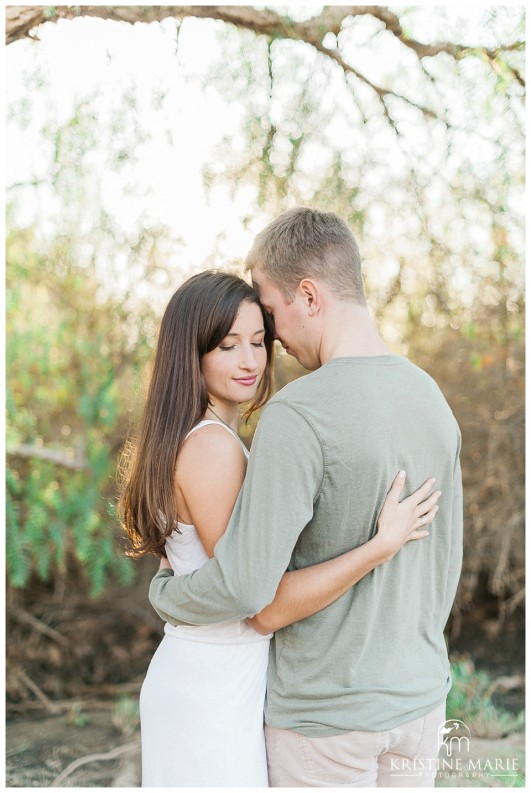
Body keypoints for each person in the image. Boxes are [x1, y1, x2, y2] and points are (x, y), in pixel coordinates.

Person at [119, 269, 440, 787]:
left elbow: (177, 570)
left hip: (203, 670)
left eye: (257, 341)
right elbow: (255, 597)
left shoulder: (185, 437)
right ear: (192, 354)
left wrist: (165, 595)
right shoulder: (213, 449)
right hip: (217, 683)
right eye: (227, 346)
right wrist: (380, 546)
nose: (250, 361)